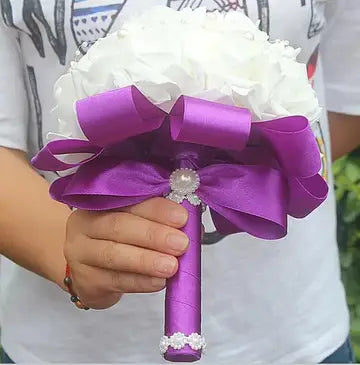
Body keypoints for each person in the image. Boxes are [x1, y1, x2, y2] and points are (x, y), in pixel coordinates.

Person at [0, 0, 359, 363]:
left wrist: (238, 177)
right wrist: (65, 252)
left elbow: (349, 101)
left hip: (297, 336)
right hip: (64, 348)